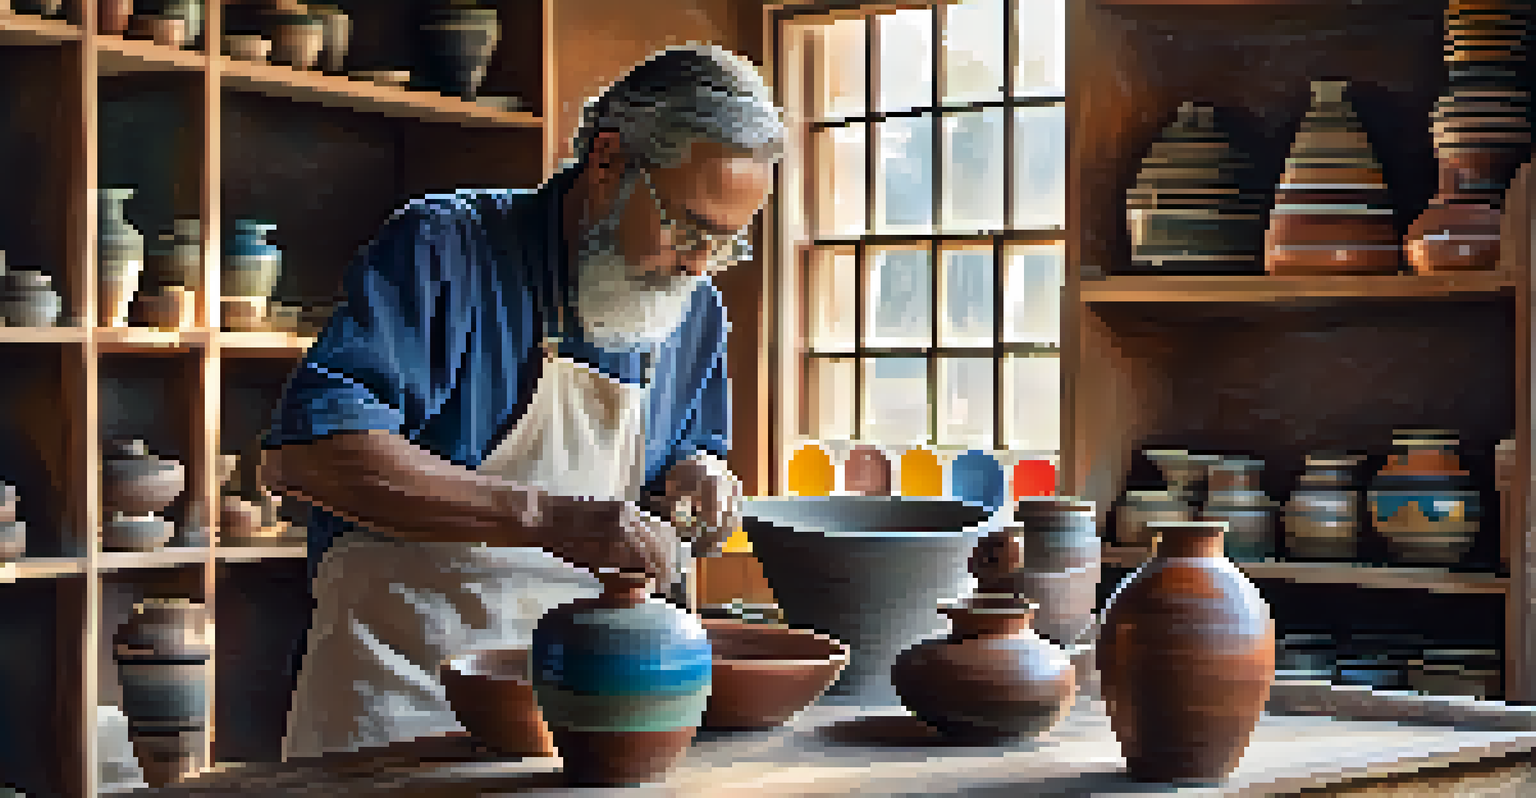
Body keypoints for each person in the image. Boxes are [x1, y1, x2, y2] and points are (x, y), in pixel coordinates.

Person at [260, 44, 784, 761]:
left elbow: (681, 460)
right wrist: (546, 517)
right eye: (687, 228)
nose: (697, 264)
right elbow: (308, 456)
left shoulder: (692, 312)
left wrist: (698, 476)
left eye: (724, 245)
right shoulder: (447, 249)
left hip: (585, 717)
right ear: (608, 159)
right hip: (402, 704)